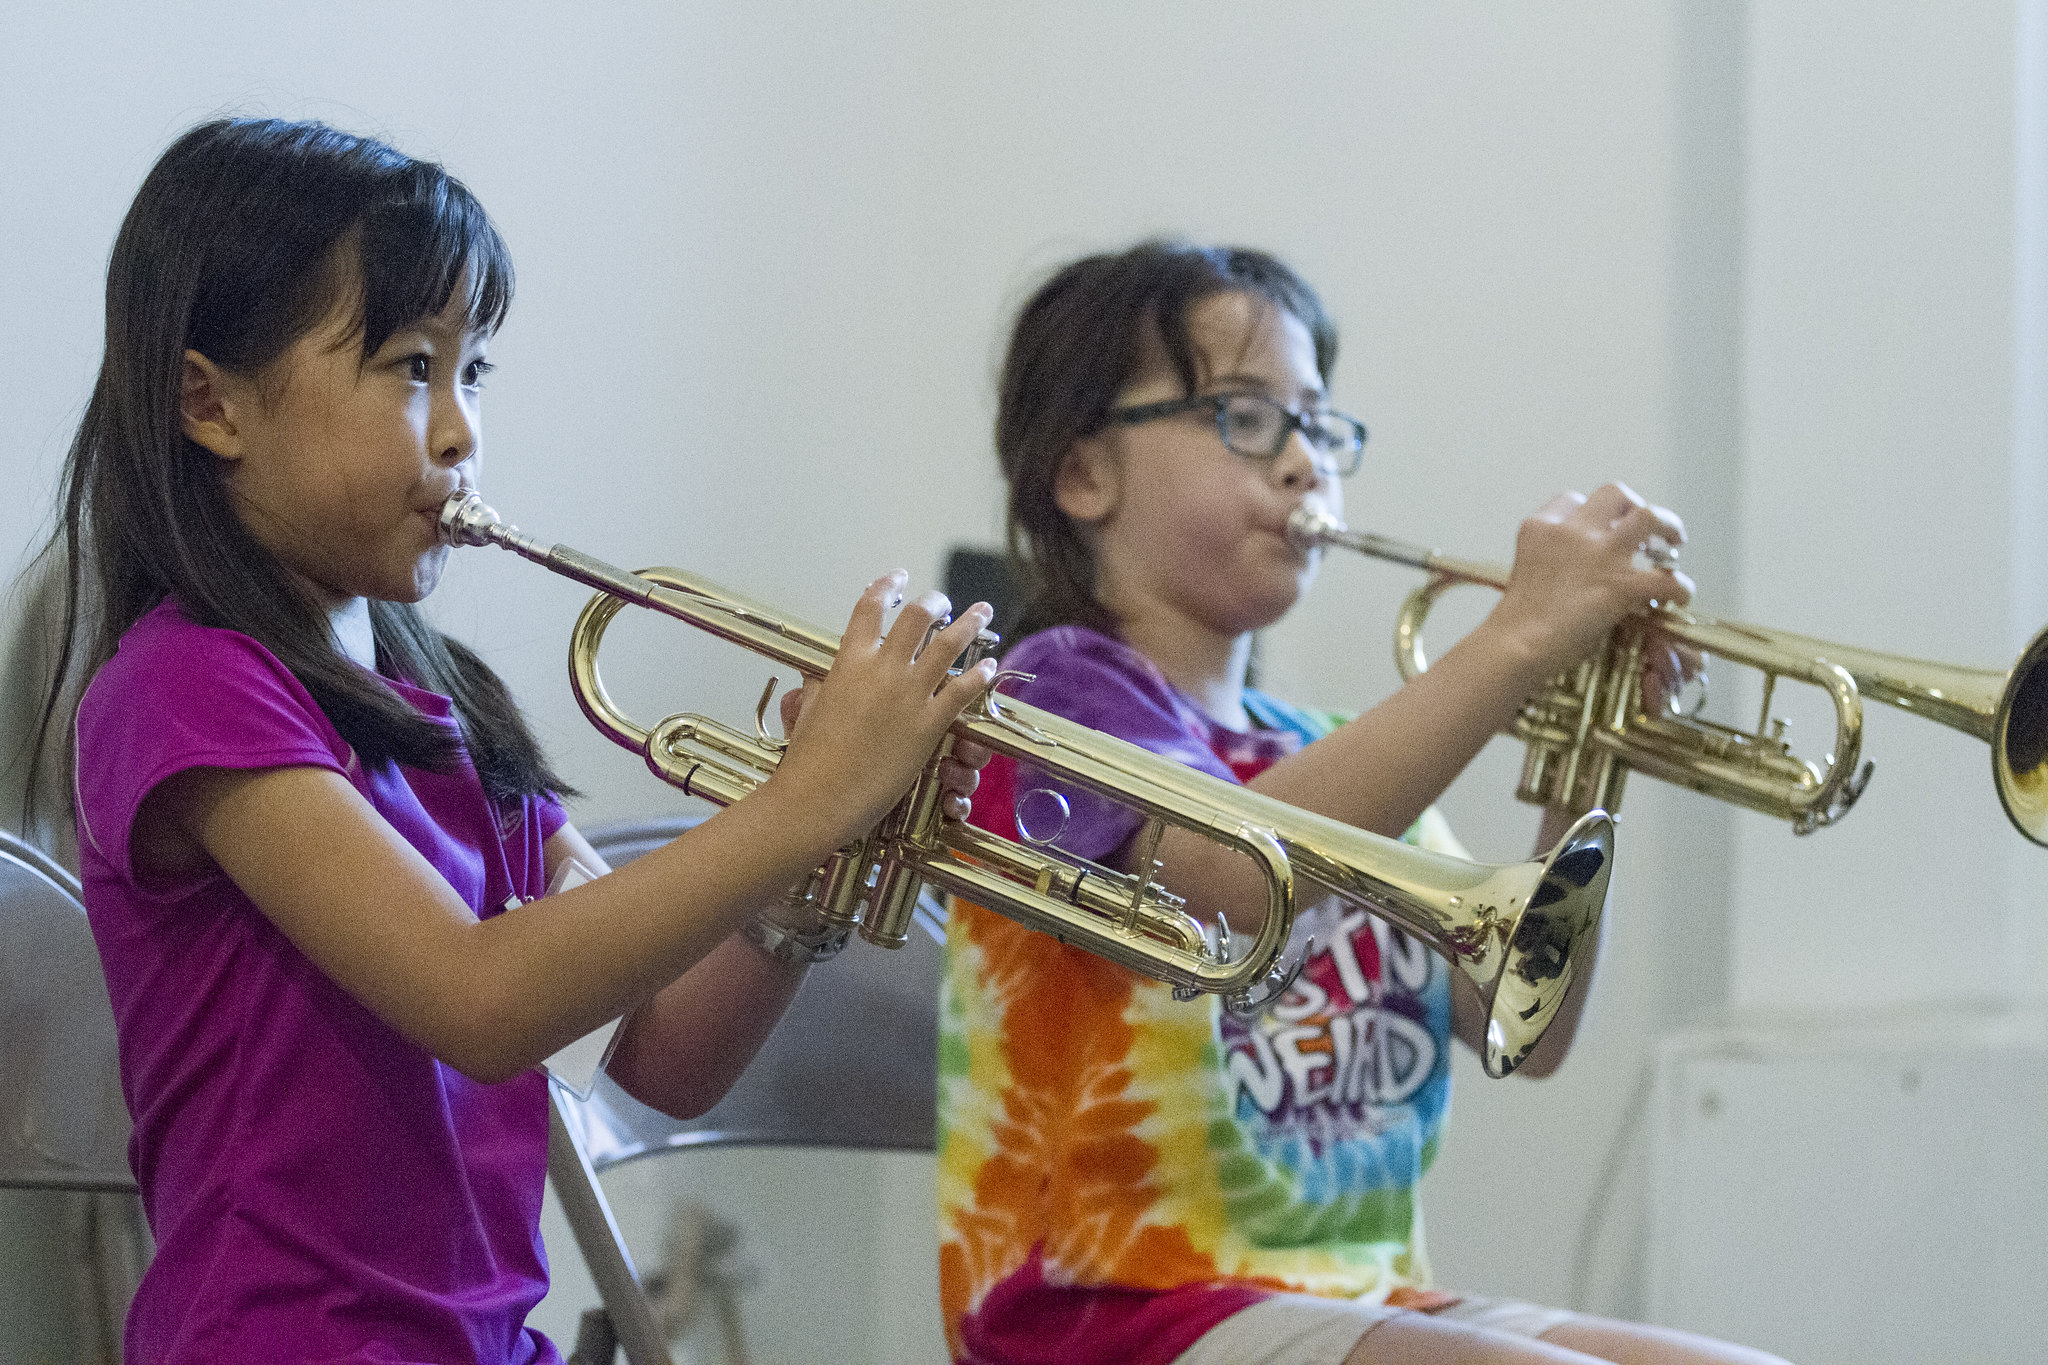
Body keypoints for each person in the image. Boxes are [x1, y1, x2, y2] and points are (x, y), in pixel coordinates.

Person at [30, 117, 998, 1364]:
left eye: (473, 371)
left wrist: (813, 873)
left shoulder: (449, 712)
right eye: (407, 366)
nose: (458, 431)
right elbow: (480, 1001)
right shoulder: (183, 691)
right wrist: (805, 800)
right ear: (210, 404)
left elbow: (658, 1052)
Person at [936, 242, 1787, 1365]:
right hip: (1109, 1313)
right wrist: (1520, 638)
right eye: (1245, 417)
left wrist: (1593, 746)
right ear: (1085, 471)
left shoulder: (1320, 754)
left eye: (1318, 425)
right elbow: (1240, 873)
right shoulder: (1048, 698)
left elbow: (1518, 1022)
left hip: (1361, 1295)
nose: (1302, 465)